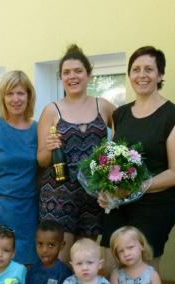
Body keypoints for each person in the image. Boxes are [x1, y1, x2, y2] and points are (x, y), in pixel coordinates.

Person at [99, 46, 175, 272]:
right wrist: (107, 189)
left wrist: (136, 188)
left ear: (160, 75)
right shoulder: (120, 114)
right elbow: (113, 161)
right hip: (119, 205)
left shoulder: (172, 116)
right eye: (136, 69)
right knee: (110, 267)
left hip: (155, 206)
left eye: (149, 69)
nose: (142, 75)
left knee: (142, 274)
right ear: (129, 75)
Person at [37, 44, 115, 263]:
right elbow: (41, 160)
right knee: (58, 259)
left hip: (92, 196)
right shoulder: (52, 110)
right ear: (61, 77)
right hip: (58, 194)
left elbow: (120, 147)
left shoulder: (105, 107)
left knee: (85, 261)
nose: (72, 76)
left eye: (78, 71)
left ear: (89, 75)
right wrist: (49, 148)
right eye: (66, 72)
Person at [0, 70, 39, 265]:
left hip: (28, 210)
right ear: (2, 98)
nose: (15, 99)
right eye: (10, 94)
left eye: (20, 93)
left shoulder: (38, 129)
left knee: (24, 274)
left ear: (29, 96)